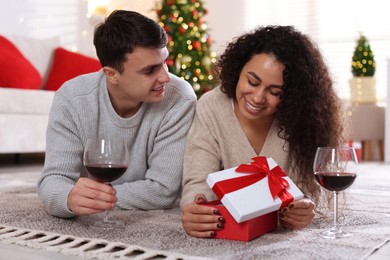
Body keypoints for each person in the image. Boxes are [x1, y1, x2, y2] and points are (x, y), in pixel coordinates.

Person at [180, 25, 345, 238]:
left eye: (274, 92)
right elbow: (197, 180)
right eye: (252, 81)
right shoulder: (212, 106)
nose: (257, 98)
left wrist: (303, 208)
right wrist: (196, 209)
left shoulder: (299, 119)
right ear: (238, 69)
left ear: (291, 96)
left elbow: (304, 191)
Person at [37, 10, 197, 218]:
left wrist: (96, 199)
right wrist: (68, 197)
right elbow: (53, 180)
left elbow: (163, 191)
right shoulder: (72, 98)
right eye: (150, 70)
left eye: (164, 62)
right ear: (111, 74)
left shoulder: (180, 99)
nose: (165, 77)